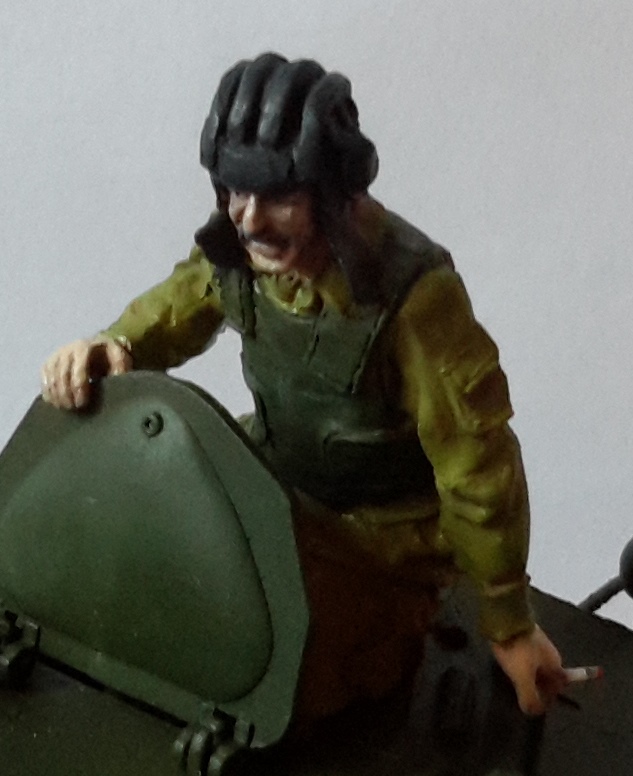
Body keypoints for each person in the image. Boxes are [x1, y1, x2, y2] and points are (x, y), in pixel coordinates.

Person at [40, 52, 566, 721]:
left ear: (333, 194)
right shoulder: (240, 254)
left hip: (382, 543)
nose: (251, 219)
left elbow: (478, 468)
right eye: (235, 192)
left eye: (280, 198)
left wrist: (507, 621)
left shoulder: (413, 299)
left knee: (280, 674)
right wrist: (116, 344)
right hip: (269, 487)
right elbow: (181, 300)